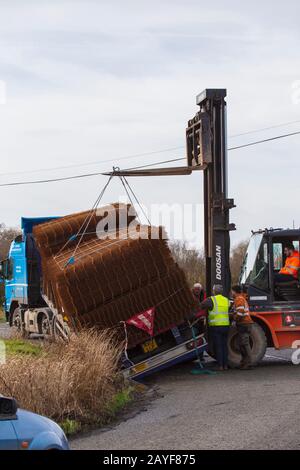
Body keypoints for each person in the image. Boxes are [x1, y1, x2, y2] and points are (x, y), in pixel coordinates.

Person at [200, 284, 230, 371]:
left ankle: (220, 365)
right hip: (225, 326)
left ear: (214, 291)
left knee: (218, 346)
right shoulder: (226, 300)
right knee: (224, 345)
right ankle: (225, 365)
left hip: (216, 327)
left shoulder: (211, 300)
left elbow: (200, 306)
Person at [231, 285, 254, 370]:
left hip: (244, 324)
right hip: (245, 323)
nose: (231, 293)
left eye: (232, 291)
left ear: (234, 291)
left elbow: (240, 313)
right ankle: (244, 362)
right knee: (242, 344)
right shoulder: (240, 298)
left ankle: (249, 363)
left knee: (244, 344)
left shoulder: (239, 299)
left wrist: (234, 318)